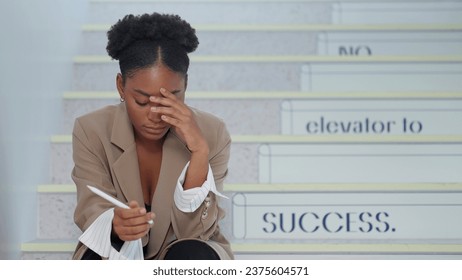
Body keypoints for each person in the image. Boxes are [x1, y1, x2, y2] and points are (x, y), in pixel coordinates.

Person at [71, 12, 233, 260]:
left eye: (171, 98)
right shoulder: (91, 129)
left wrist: (199, 152)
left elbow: (195, 232)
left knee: (192, 254)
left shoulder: (212, 132)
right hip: (119, 251)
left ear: (186, 86)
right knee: (96, 256)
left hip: (185, 250)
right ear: (120, 87)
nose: (156, 115)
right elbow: (91, 207)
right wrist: (114, 224)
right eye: (142, 101)